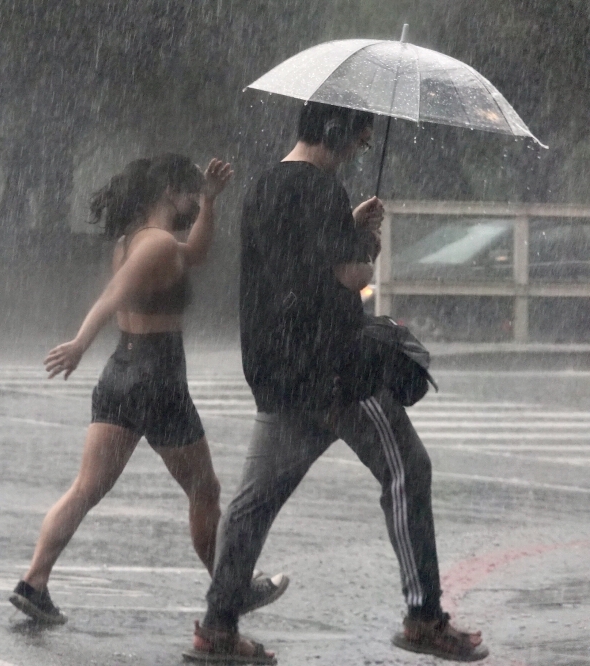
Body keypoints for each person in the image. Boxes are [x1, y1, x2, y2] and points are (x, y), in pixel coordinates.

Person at [184, 102, 488, 664]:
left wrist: (346, 227)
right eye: (358, 140)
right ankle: (423, 616)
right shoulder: (321, 190)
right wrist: (365, 244)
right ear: (333, 131)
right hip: (336, 371)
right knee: (406, 470)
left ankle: (218, 626)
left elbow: (296, 264)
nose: (357, 151)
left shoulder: (264, 188)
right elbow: (350, 277)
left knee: (254, 503)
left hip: (278, 372)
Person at [10, 154, 289, 625]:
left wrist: (209, 202)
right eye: (187, 193)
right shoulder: (157, 243)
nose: (190, 203)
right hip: (157, 377)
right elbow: (113, 295)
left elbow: (194, 254)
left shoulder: (134, 242)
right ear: (166, 193)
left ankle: (33, 582)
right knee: (205, 488)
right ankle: (231, 589)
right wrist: (80, 342)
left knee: (85, 489)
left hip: (121, 372)